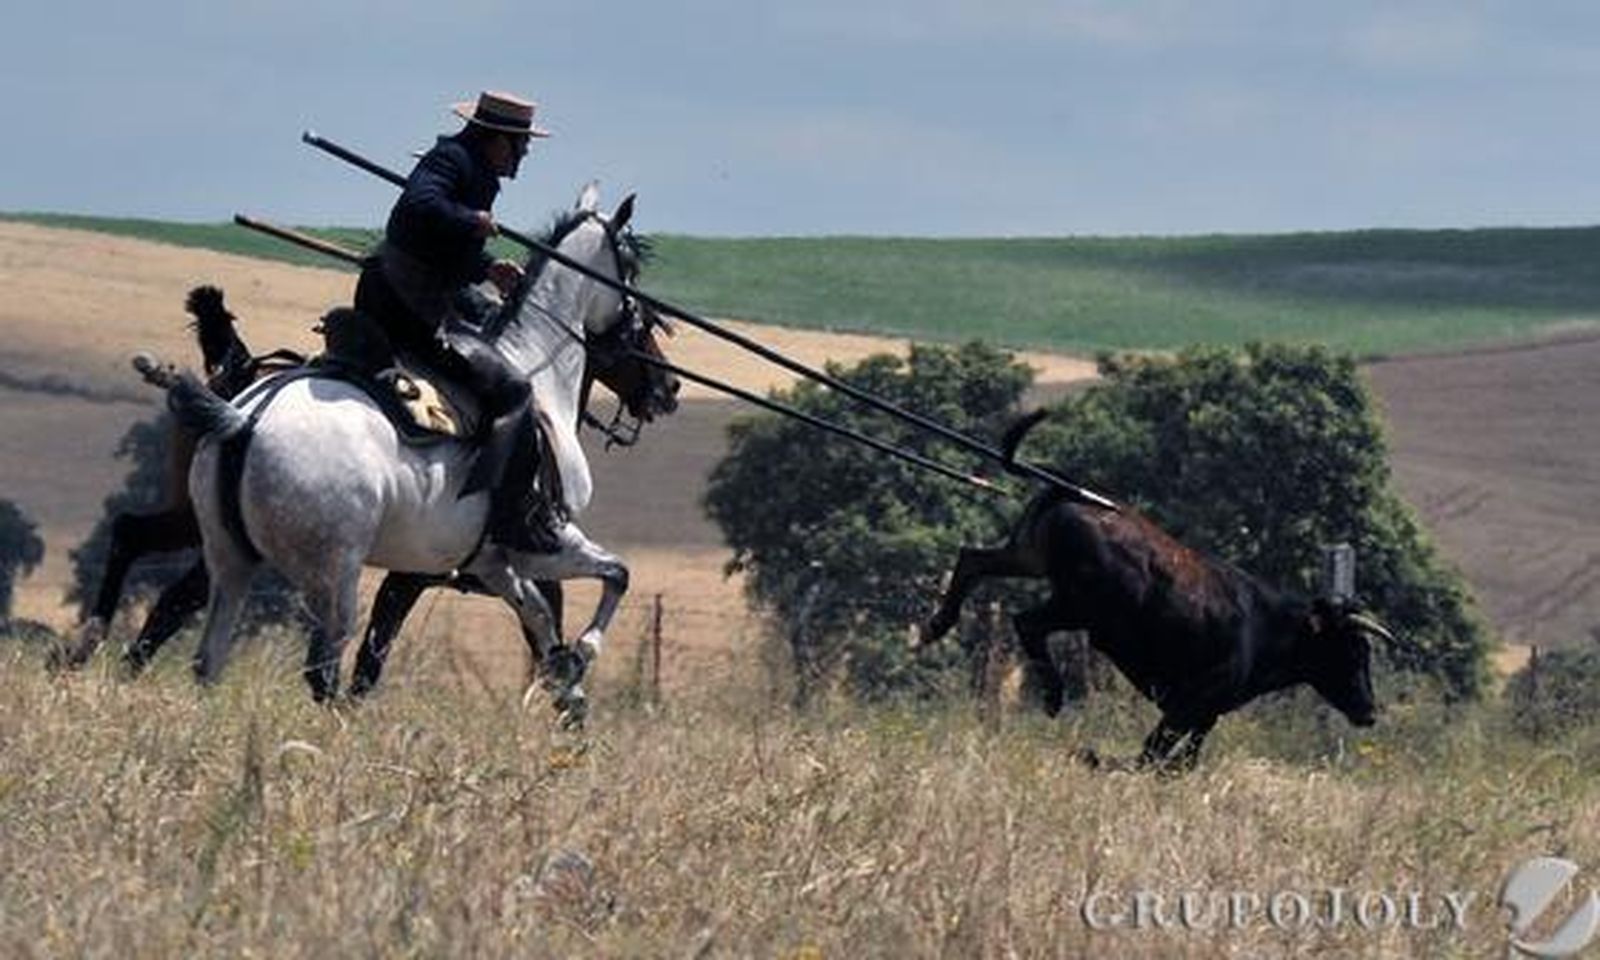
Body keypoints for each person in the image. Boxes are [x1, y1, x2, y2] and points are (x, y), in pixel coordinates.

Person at [354, 90, 559, 552]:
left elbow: (439, 245)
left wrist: (487, 267)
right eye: (520, 144)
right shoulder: (452, 159)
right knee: (514, 391)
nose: (524, 155)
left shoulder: (472, 167)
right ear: (496, 138)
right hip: (409, 304)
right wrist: (471, 218)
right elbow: (419, 206)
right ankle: (502, 519)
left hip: (408, 292)